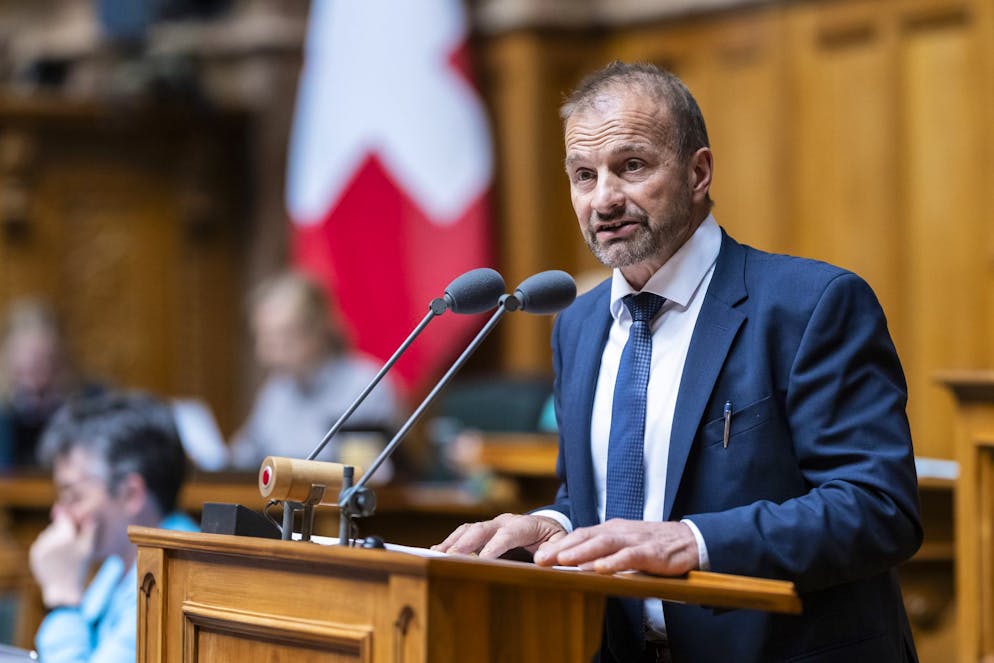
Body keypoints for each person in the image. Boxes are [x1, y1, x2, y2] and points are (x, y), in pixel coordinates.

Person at [435, 61, 922, 662]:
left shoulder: (810, 305)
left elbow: (878, 508)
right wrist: (554, 525)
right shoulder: (579, 326)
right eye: (583, 175)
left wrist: (693, 541)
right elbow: (600, 502)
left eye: (631, 166)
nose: (604, 198)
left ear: (698, 172)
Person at [29, 391, 197, 662]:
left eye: (73, 496)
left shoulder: (174, 577)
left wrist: (62, 597)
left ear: (131, 493)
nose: (59, 512)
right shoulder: (121, 562)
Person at [229, 272, 401, 469]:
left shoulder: (367, 385)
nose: (267, 354)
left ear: (317, 332)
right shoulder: (276, 389)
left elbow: (368, 477)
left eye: (283, 340)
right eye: (264, 339)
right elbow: (241, 459)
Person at [0, 299, 100, 468]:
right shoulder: (5, 407)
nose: (34, 365)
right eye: (26, 354)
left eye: (43, 358)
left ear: (60, 356)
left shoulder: (91, 401)